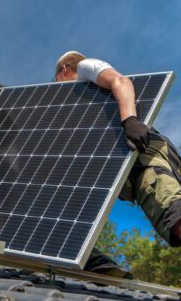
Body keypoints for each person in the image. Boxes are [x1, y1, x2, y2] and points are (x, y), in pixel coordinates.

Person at [54, 51, 181, 276]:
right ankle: (91, 260)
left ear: (64, 69)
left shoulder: (84, 68)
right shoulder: (77, 110)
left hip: (139, 153)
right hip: (125, 164)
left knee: (174, 214)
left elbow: (119, 81)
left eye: (54, 81)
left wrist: (129, 120)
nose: (54, 87)